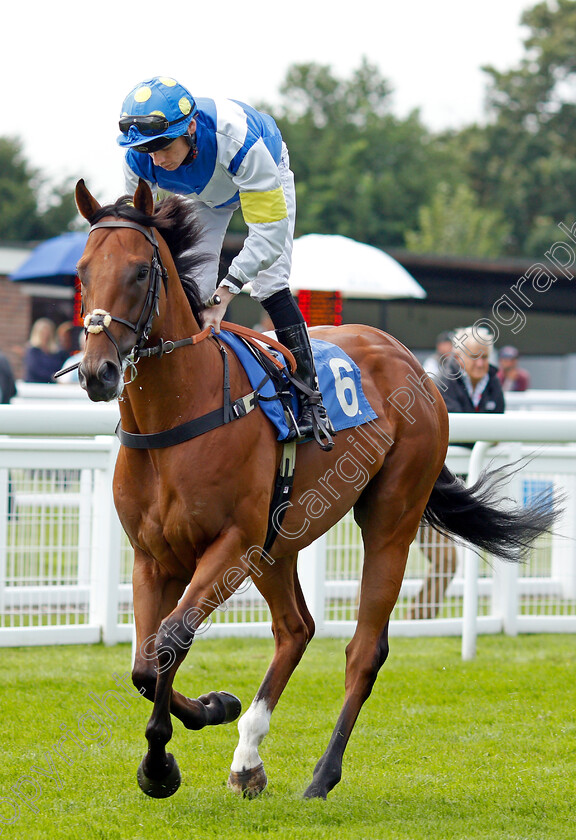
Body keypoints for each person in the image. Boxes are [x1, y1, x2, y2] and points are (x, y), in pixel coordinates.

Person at [116, 76, 332, 448]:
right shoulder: (137, 159)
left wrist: (226, 293)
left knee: (268, 282)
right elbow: (141, 232)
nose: (157, 160)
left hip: (261, 171)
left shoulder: (239, 142)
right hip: (203, 196)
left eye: (163, 146)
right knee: (190, 291)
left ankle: (311, 400)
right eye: (148, 150)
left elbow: (269, 235)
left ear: (192, 128)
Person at [408, 326, 505, 620]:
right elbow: (456, 431)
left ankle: (420, 622)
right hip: (417, 484)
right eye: (475, 356)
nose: (481, 363)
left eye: (485, 357)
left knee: (447, 560)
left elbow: (496, 426)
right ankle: (363, 620)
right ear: (458, 357)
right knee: (383, 555)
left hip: (446, 488)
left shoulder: (493, 383)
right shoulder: (440, 382)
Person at [24, 318, 67, 384]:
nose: (45, 335)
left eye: (47, 332)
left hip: (52, 386)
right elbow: (34, 368)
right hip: (34, 385)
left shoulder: (57, 352)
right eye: (42, 332)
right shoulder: (32, 351)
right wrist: (51, 376)